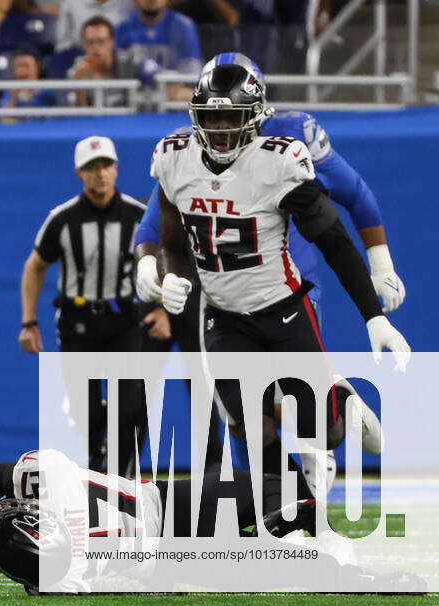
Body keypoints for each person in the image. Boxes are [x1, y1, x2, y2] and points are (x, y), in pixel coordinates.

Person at [133, 52, 407, 493]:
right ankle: (287, 503)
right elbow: (165, 223)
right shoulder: (178, 153)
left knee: (319, 426)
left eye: (232, 117)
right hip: (222, 307)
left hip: (286, 286)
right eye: (211, 118)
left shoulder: (288, 146)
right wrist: (154, 266)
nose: (220, 131)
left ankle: (335, 409)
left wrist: (378, 280)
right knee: (246, 422)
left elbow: (347, 210)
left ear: (257, 111)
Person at [0, 448, 424, 593]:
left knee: (283, 494)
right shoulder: (41, 567)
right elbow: (51, 571)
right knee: (272, 568)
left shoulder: (39, 475)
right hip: (165, 559)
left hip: (167, 505)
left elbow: (42, 469)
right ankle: (358, 573)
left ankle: (308, 507)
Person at [19, 136, 155, 474]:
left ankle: (121, 479)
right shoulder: (63, 218)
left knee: (130, 405)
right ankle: (93, 470)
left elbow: (161, 260)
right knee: (85, 410)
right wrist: (28, 322)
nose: (101, 174)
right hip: (78, 321)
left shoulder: (137, 216)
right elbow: (35, 265)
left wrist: (161, 309)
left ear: (117, 168)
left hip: (124, 318)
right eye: (92, 168)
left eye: (106, 165)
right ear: (79, 173)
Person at [115, 0, 201, 102]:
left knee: (192, 96)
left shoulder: (184, 26)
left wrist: (168, 83)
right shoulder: (122, 28)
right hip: (132, 97)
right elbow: (117, 72)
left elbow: (192, 74)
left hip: (172, 95)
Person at [67, 16, 125, 108]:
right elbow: (77, 117)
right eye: (90, 42)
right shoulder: (77, 71)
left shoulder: (127, 66)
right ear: (84, 44)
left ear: (111, 42)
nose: (95, 47)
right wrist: (80, 89)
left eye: (101, 41)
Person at [55, 0, 133, 51]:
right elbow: (63, 46)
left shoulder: (128, 4)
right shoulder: (71, 3)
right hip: (79, 59)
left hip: (120, 61)